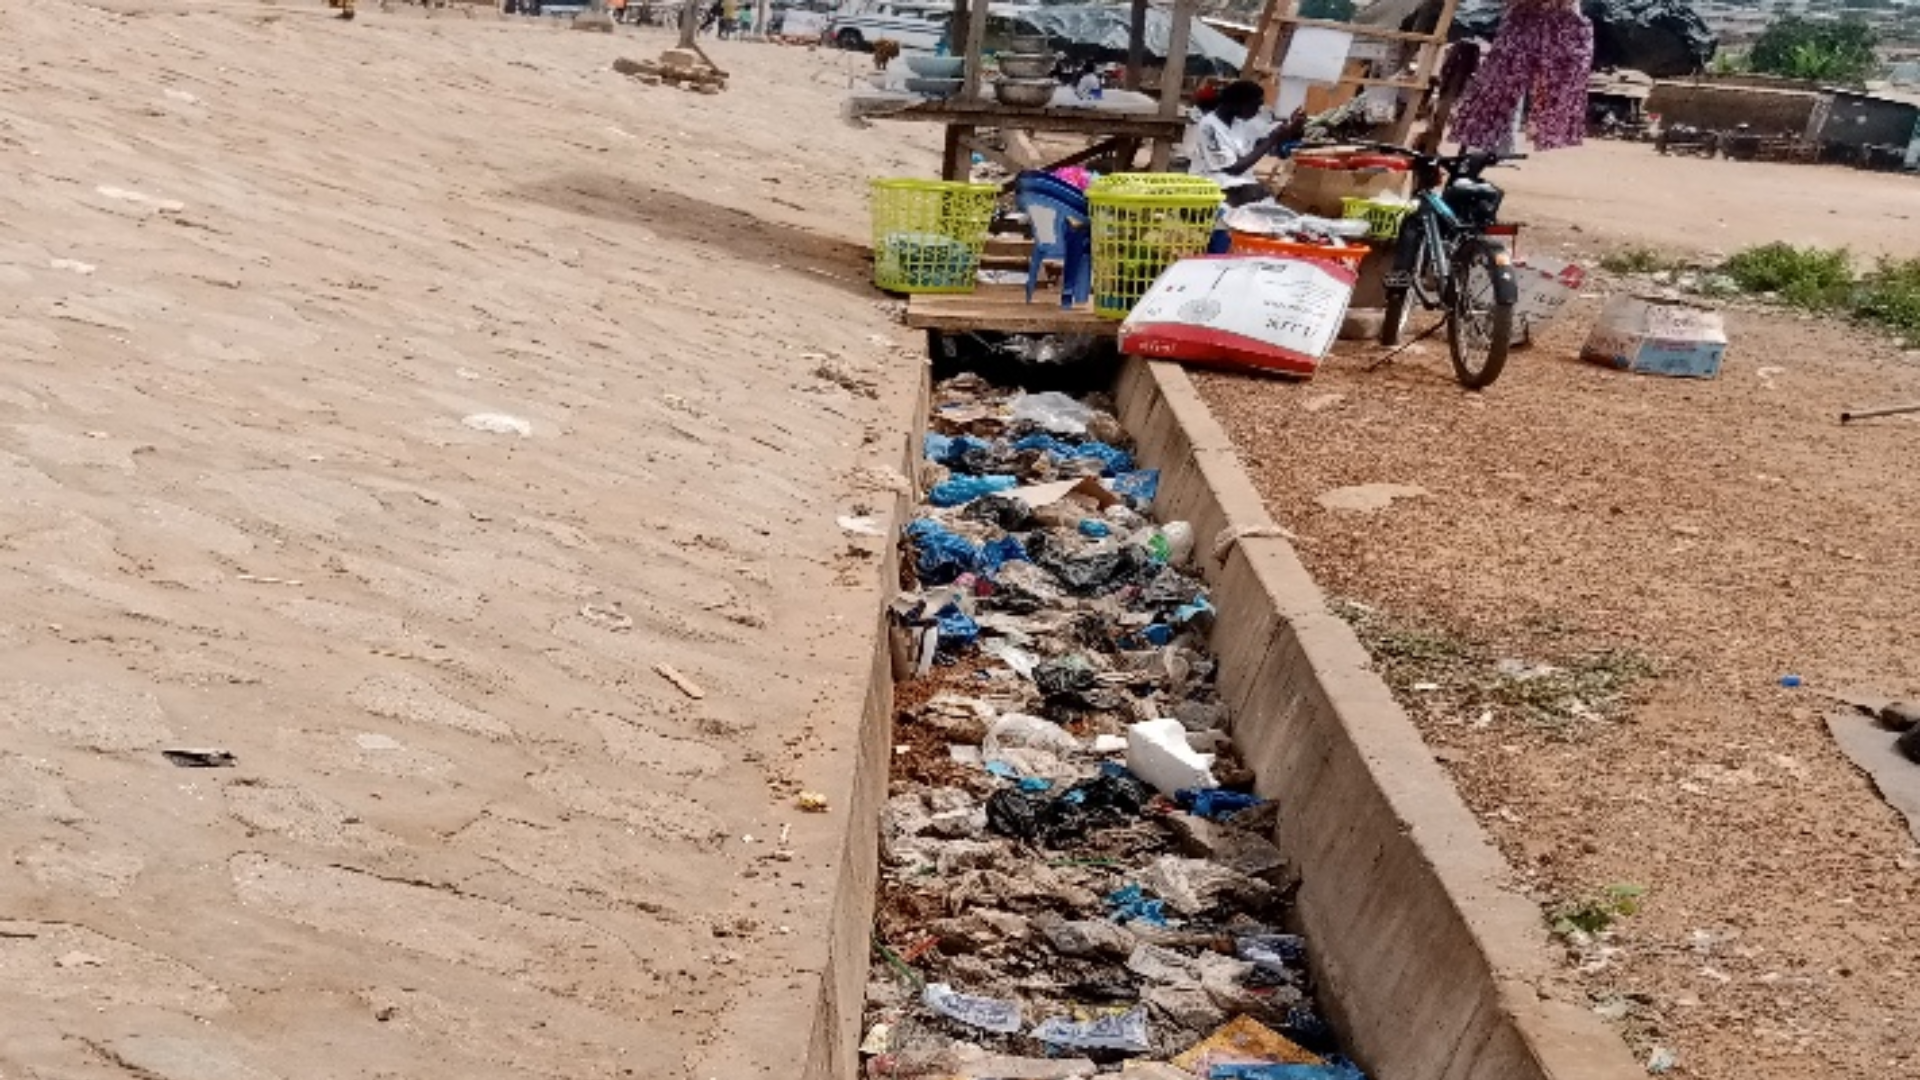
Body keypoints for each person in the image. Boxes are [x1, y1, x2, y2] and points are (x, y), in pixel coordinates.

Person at [1189, 80, 1305, 207]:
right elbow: (1233, 169)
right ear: (1238, 104)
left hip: (1236, 184)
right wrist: (1272, 139)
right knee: (1257, 199)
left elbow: (1272, 134)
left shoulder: (1241, 123)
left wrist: (1294, 126)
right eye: (1256, 105)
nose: (1258, 110)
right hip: (1211, 187)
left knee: (1267, 200)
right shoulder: (1209, 127)